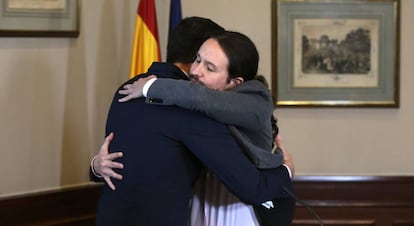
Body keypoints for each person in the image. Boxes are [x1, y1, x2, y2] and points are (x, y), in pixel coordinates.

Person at [91, 17, 294, 226]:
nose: (197, 71)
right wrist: (286, 169)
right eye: (199, 59)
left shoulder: (127, 89)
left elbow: (119, 161)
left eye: (210, 66)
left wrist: (95, 167)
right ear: (196, 53)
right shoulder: (192, 108)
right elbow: (253, 188)